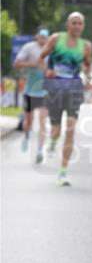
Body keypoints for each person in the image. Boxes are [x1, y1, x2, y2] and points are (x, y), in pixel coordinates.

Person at [40, 12, 92, 186]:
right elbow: (41, 58)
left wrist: (88, 76)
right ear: (67, 25)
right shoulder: (56, 39)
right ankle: (53, 140)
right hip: (55, 88)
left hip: (74, 90)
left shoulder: (85, 46)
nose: (77, 26)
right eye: (74, 23)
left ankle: (62, 171)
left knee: (71, 128)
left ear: (83, 26)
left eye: (80, 23)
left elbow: (87, 65)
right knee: (56, 130)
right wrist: (46, 72)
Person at [14, 27, 50, 163]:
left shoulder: (51, 50)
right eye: (41, 36)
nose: (43, 39)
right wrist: (34, 64)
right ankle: (26, 134)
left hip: (45, 91)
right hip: (30, 90)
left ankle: (40, 150)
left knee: (42, 121)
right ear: (36, 36)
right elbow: (16, 63)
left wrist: (48, 70)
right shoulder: (29, 47)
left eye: (45, 37)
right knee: (28, 121)